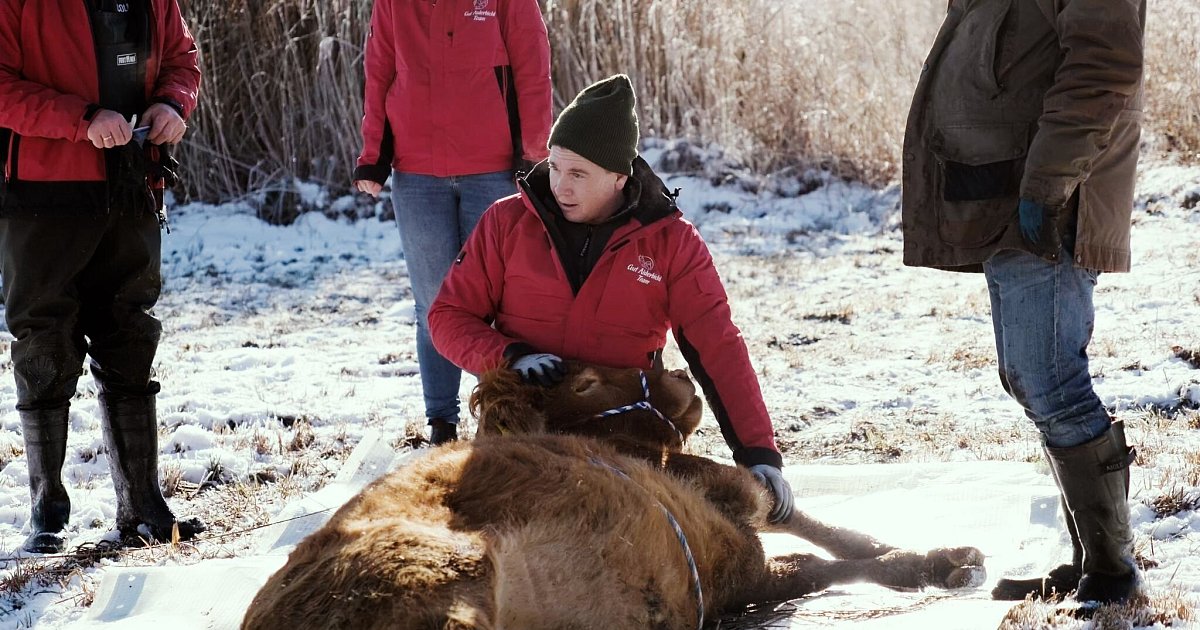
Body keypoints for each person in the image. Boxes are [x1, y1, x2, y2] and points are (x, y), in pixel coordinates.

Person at [428, 74, 796, 524]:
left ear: (620, 176)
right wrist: (509, 355)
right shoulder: (505, 223)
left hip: (627, 427)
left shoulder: (672, 244)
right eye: (556, 166)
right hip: (527, 422)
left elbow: (718, 346)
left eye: (578, 174)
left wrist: (758, 451)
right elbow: (447, 316)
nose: (561, 185)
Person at [902, 0, 1145, 604]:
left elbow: (1104, 65)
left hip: (1049, 199)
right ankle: (1091, 561)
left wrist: (1048, 183)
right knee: (1031, 379)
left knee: (1052, 381)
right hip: (1009, 194)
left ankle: (1112, 575)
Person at [0, 0, 205, 553]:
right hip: (42, 194)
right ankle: (47, 506)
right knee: (43, 340)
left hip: (134, 184)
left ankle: (141, 505)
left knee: (132, 334)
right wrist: (82, 119)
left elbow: (183, 61)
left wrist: (171, 104)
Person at [353, 0, 553, 446]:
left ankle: (506, 411)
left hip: (493, 170)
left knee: (501, 302)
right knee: (434, 303)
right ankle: (441, 420)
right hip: (417, 174)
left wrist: (533, 153)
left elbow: (532, 65)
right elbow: (379, 71)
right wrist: (373, 157)